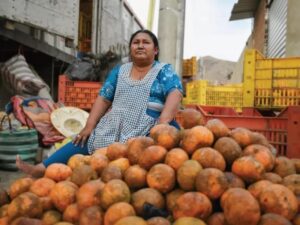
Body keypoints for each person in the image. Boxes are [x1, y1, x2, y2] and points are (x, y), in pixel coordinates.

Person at [16, 29, 183, 177]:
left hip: (149, 124)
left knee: (150, 153)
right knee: (85, 138)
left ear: (155, 50)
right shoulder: (120, 70)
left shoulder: (163, 70)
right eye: (135, 42)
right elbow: (104, 98)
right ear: (131, 48)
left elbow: (175, 92)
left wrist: (163, 122)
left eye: (145, 43)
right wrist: (89, 124)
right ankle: (42, 168)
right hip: (116, 123)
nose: (140, 46)